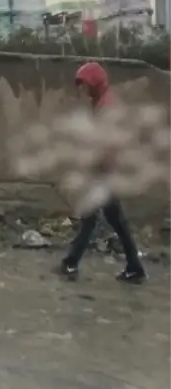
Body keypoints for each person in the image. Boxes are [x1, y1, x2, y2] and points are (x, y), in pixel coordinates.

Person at [60, 61, 147, 284]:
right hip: (106, 171)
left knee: (96, 217)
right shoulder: (101, 103)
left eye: (86, 84)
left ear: (96, 83)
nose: (83, 89)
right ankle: (134, 266)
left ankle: (71, 261)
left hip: (105, 172)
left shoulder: (107, 106)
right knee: (112, 219)